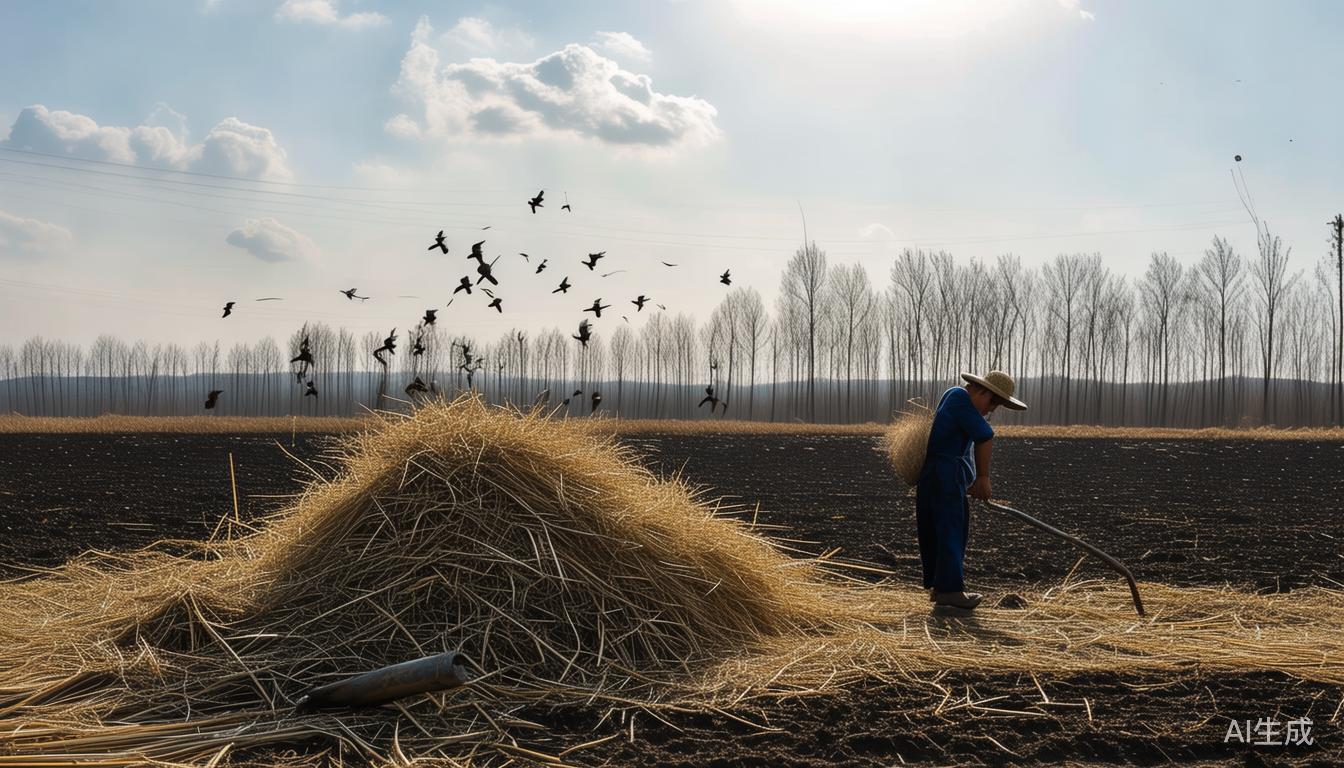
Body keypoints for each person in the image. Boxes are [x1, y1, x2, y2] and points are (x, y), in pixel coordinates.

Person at [917, 370, 1027, 610]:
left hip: (938, 475)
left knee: (939, 530)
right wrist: (983, 478)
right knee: (950, 531)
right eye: (992, 403)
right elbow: (985, 436)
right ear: (982, 391)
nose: (990, 410)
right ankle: (950, 591)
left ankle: (941, 588)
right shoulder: (960, 398)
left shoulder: (953, 396)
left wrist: (968, 478)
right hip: (944, 476)